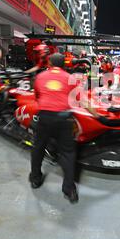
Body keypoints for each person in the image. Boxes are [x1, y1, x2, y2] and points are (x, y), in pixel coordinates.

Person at [29, 53, 81, 203]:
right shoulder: (70, 78)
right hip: (64, 119)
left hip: (44, 117)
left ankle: (36, 179)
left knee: (38, 148)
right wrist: (98, 116)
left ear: (50, 63)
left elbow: (37, 97)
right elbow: (80, 100)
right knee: (68, 153)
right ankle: (69, 189)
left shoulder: (40, 76)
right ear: (64, 64)